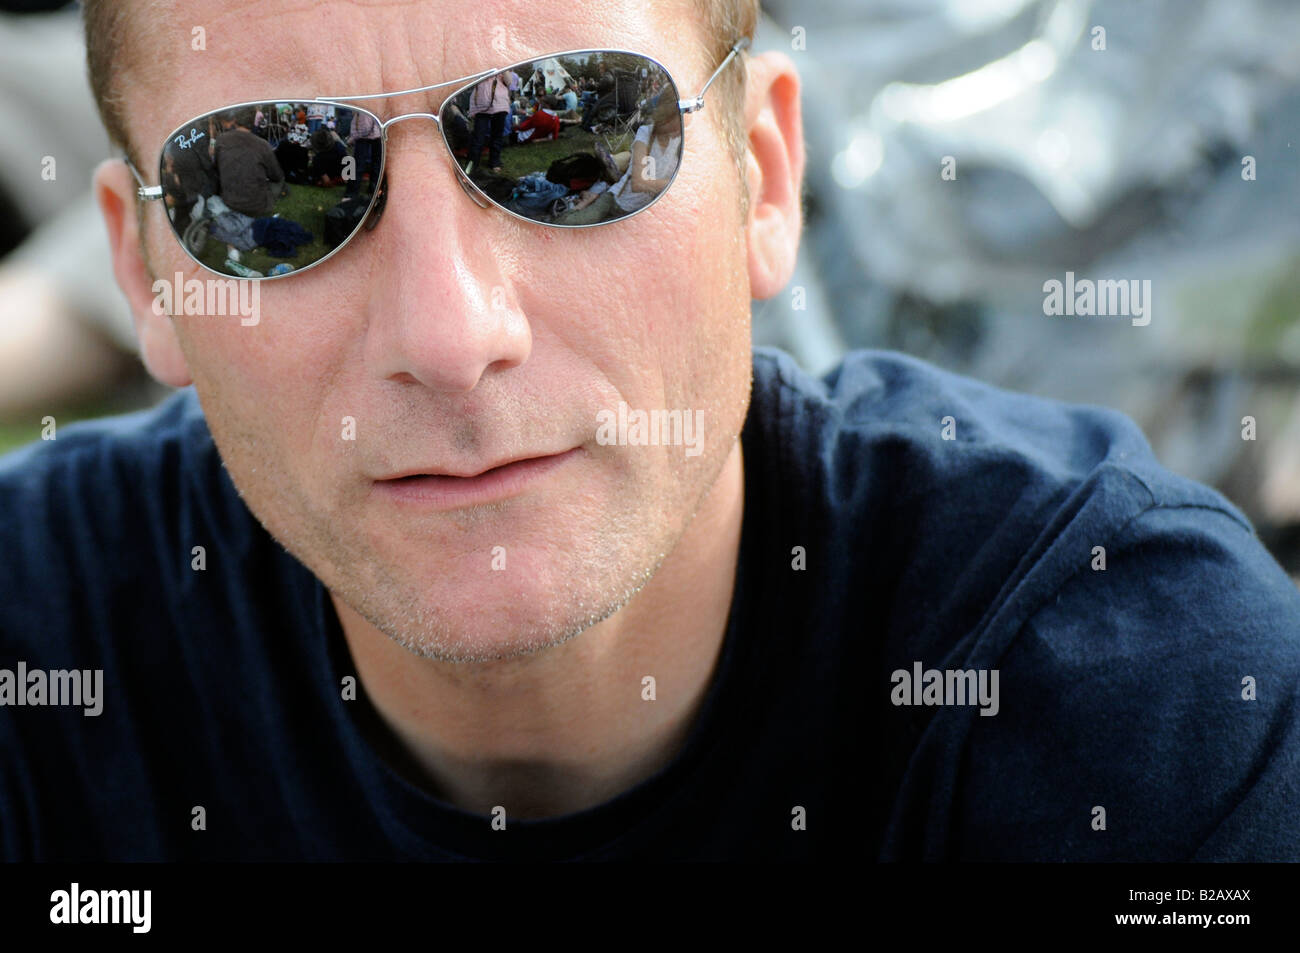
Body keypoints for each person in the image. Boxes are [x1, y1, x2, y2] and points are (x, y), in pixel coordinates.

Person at [2, 0, 1299, 864]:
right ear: (145, 272)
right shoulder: (40, 656)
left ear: (767, 174)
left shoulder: (1129, 687)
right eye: (271, 186)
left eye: (572, 138)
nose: (452, 335)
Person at [212, 107, 285, 217]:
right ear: (254, 122)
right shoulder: (263, 144)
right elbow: (277, 176)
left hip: (229, 201)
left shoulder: (221, 140)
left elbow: (217, 169)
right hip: (256, 207)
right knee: (280, 182)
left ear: (235, 120)